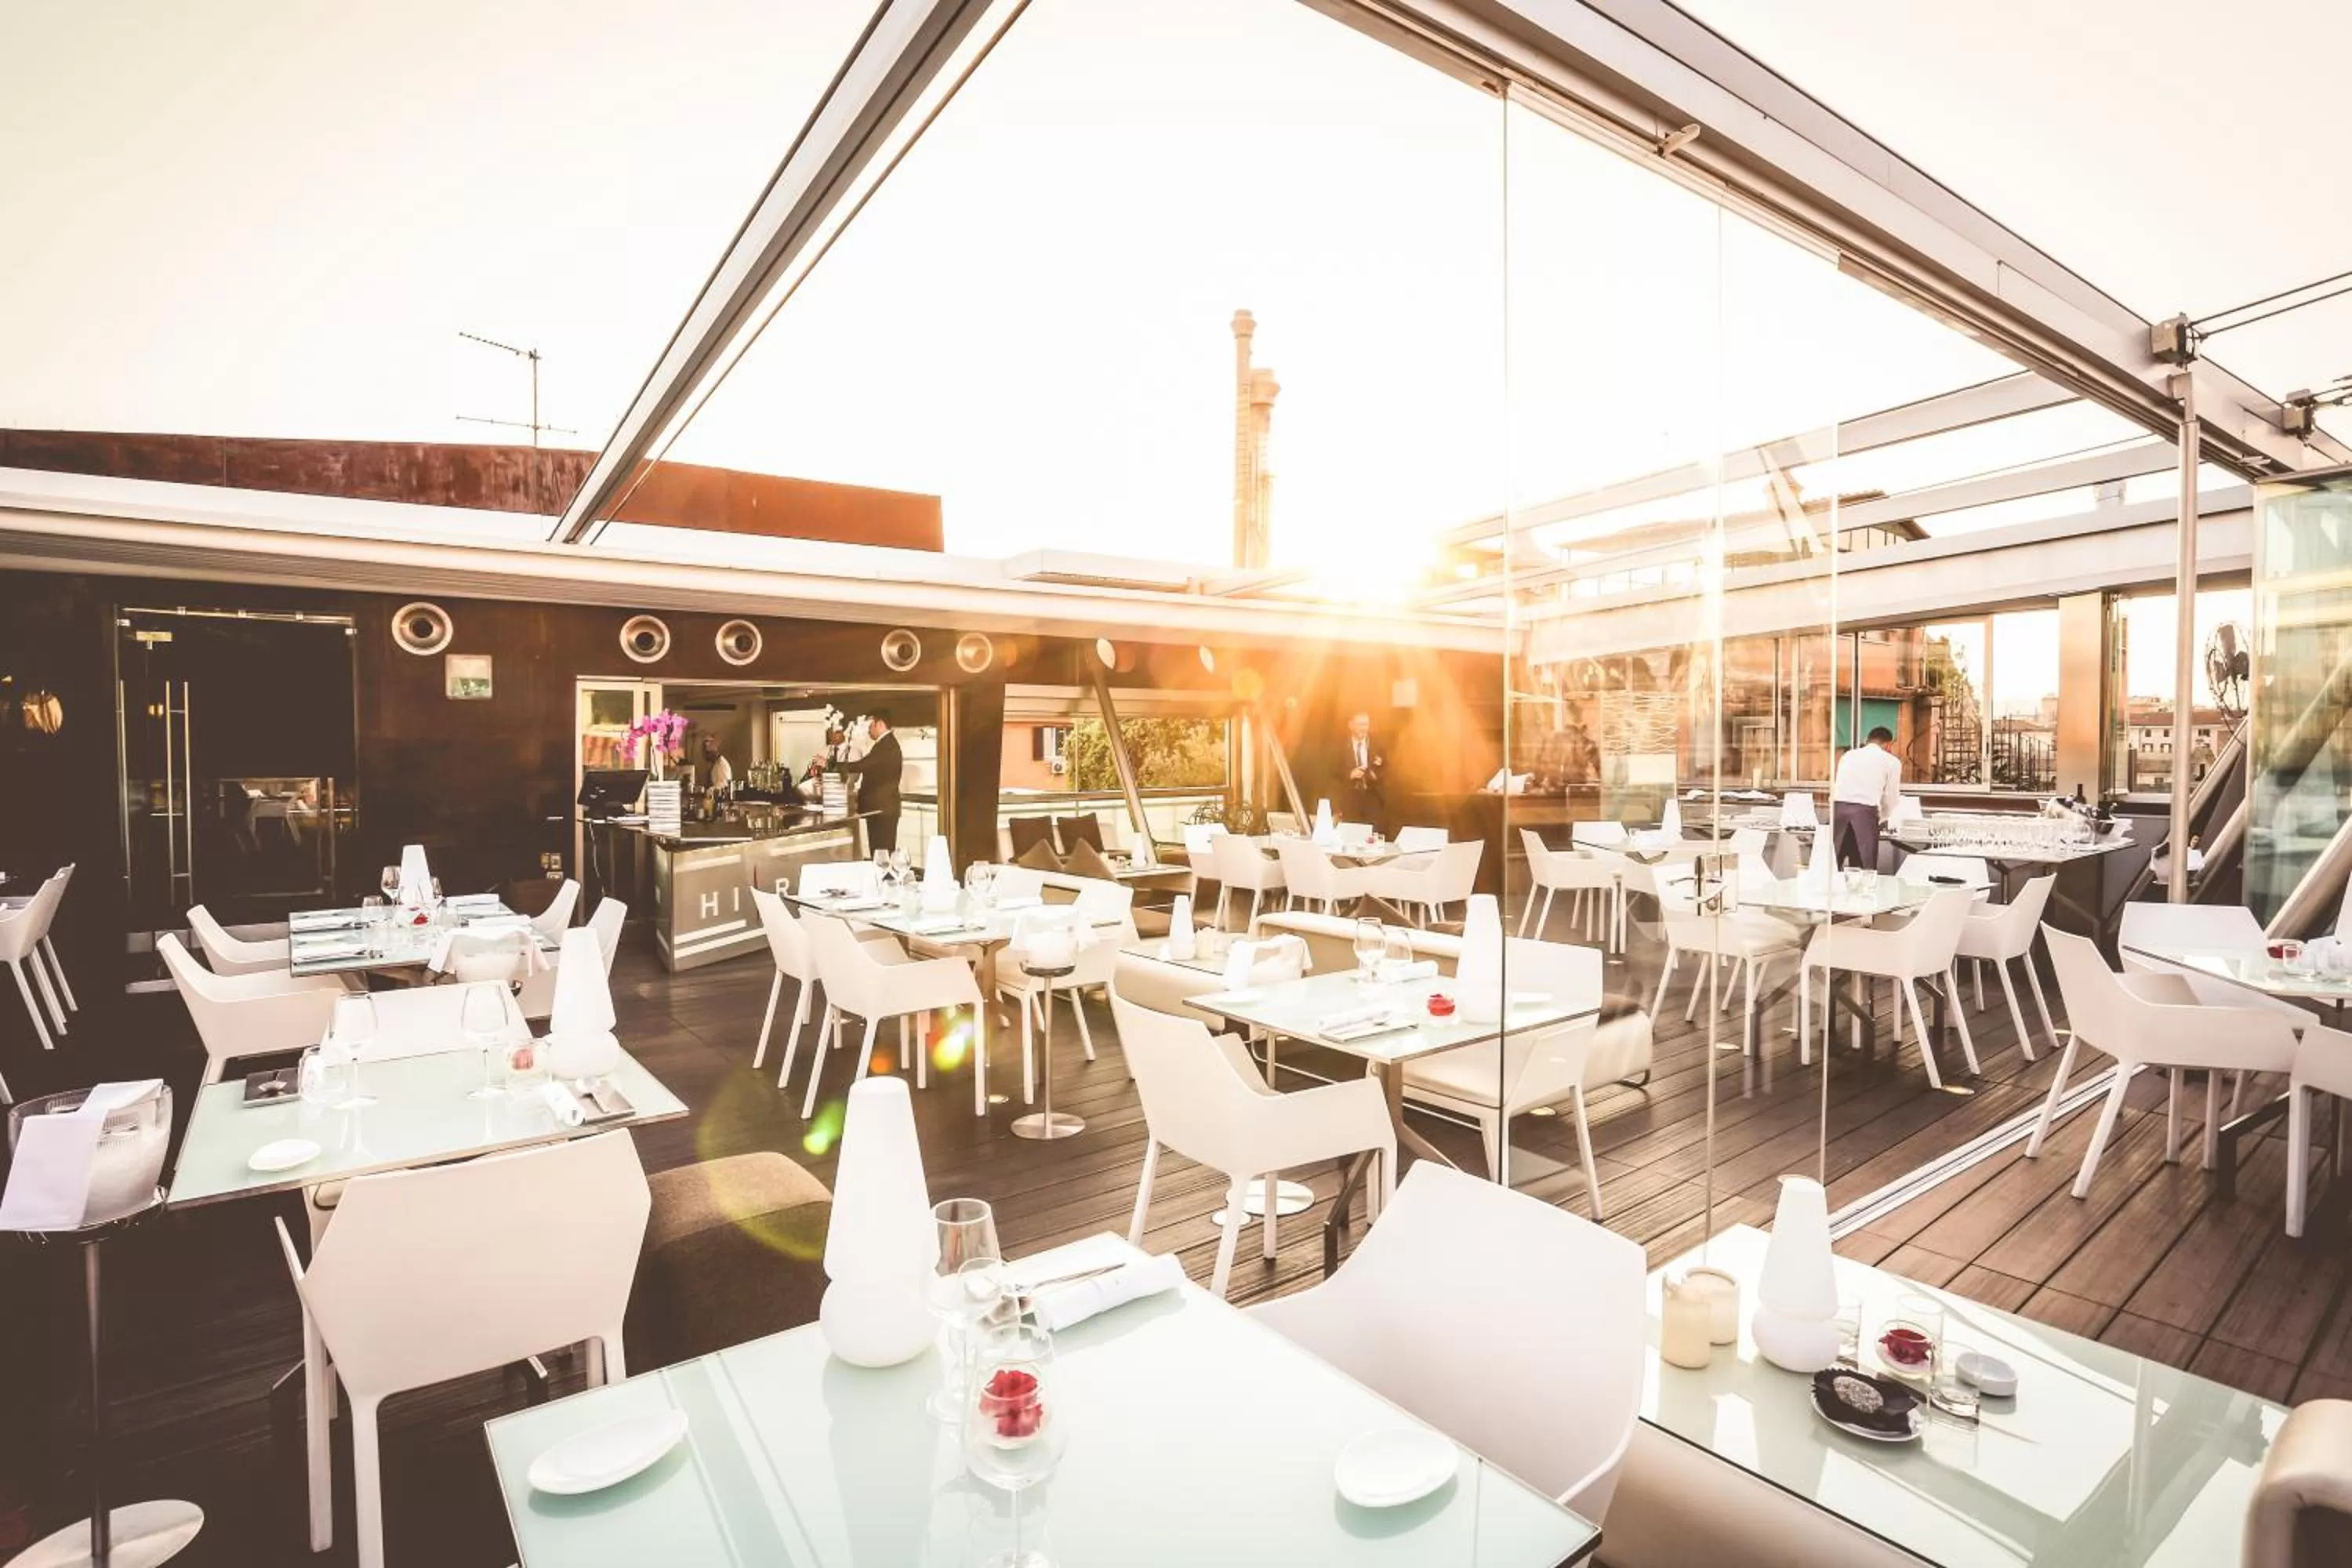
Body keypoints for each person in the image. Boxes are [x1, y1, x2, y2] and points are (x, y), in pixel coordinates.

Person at [822, 715, 904, 853]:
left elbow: (863, 765)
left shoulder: (887, 745)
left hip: (882, 809)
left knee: (882, 854)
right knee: (879, 853)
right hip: (880, 809)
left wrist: (831, 765)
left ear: (880, 724)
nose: (868, 730)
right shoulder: (884, 744)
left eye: (871, 726)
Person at [1830, 725, 1902, 871]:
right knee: (1865, 866)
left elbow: (1837, 785)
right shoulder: (1892, 762)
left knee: (1833, 862)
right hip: (1865, 813)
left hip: (1838, 810)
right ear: (1889, 744)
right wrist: (1884, 818)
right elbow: (1890, 796)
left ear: (1866, 740)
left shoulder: (1848, 756)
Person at [1339, 710, 1384, 817]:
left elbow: (1387, 769)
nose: (1364, 728)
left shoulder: (1378, 745)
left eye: (1366, 724)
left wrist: (1375, 775)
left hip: (1373, 801)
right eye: (1360, 725)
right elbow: (1331, 772)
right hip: (1349, 802)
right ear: (1351, 725)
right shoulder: (1339, 746)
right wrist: (1350, 774)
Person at [699, 735, 733, 808]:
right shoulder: (714, 765)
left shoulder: (722, 764)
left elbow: (724, 785)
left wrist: (708, 791)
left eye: (707, 753)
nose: (705, 756)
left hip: (721, 804)